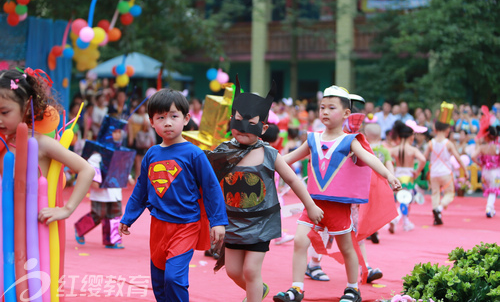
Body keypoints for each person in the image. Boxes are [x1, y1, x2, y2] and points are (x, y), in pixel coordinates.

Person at [274, 86, 401, 302]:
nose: (324, 111)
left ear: (345, 114)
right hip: (312, 205)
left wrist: (389, 175)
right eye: (322, 107)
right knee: (299, 242)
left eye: (331, 107)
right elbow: (288, 158)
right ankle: (296, 289)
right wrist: (264, 163)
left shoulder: (349, 141)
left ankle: (353, 289)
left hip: (338, 207)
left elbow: (370, 158)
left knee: (347, 248)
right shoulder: (312, 139)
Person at [205, 79, 323, 302]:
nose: (243, 128)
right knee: (232, 271)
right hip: (232, 223)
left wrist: (311, 205)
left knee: (251, 271)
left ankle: (253, 297)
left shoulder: (270, 154)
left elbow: (294, 180)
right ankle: (258, 291)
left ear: (263, 128)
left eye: (250, 123)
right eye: (238, 121)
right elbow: (207, 182)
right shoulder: (222, 151)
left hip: (261, 223)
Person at [118, 89, 228, 302]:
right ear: (151, 122)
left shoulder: (194, 153)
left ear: (186, 119)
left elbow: (211, 187)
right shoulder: (151, 154)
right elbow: (141, 189)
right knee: (159, 281)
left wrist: (218, 221)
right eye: (160, 117)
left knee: (174, 278)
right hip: (158, 226)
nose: (167, 122)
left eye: (173, 116)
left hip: (186, 225)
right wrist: (128, 217)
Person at [0, 68, 95, 223]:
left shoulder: (40, 143)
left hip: (34, 231)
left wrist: (66, 209)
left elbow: (87, 170)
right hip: (5, 230)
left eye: (4, 112)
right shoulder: (3, 143)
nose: (0, 119)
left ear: (26, 106)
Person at [74, 129, 127, 249]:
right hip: (101, 191)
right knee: (98, 214)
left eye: (119, 132)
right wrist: (94, 180)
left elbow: (122, 166)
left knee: (114, 214)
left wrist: (128, 176)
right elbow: (92, 165)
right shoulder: (98, 153)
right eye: (114, 132)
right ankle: (79, 228)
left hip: (115, 189)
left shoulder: (119, 151)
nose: (117, 135)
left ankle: (112, 240)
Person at [416, 120, 469, 225]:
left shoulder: (431, 143)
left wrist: (417, 171)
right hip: (445, 173)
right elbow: (458, 158)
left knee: (435, 194)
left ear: (435, 129)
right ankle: (439, 209)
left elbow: (423, 158)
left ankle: (436, 214)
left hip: (434, 173)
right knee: (450, 193)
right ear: (447, 130)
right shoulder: (448, 143)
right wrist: (465, 170)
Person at [388, 120, 427, 233]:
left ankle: (406, 223)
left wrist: (392, 170)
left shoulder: (394, 149)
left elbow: (387, 160)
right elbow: (423, 160)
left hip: (397, 175)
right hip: (409, 176)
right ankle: (396, 218)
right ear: (411, 137)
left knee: (403, 200)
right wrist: (417, 171)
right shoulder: (413, 149)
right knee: (406, 201)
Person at [471, 106, 500, 218]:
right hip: (496, 172)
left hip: (485, 172)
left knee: (491, 189)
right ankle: (489, 207)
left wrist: (479, 163)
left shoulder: (483, 147)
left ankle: (491, 209)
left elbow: (473, 156)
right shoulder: (497, 147)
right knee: (493, 191)